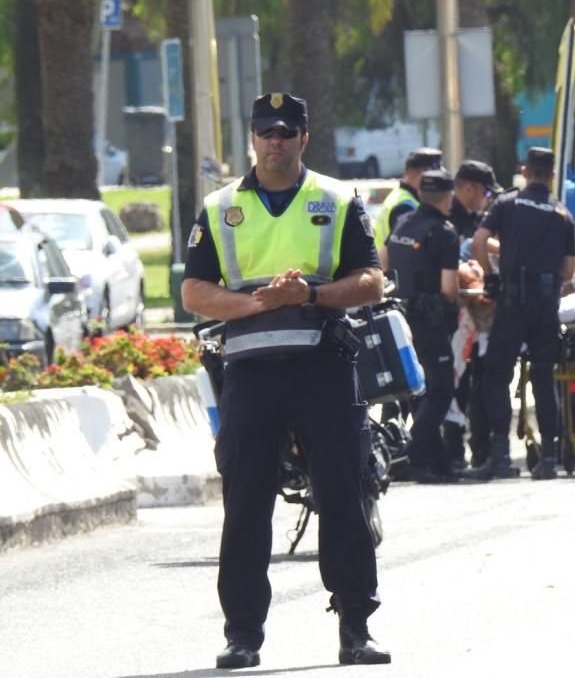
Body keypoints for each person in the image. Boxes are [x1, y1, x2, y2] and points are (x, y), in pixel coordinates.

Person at [181, 92, 390, 668]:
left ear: (304, 138)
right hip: (250, 372)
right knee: (246, 503)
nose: (275, 141)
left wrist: (311, 295)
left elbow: (372, 281)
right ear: (252, 138)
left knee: (343, 494)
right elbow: (194, 292)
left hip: (322, 365)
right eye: (265, 132)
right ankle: (242, 634)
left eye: (285, 131)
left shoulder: (337, 199)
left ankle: (356, 627)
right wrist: (252, 305)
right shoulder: (221, 206)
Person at [469, 147, 575, 480]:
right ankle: (548, 459)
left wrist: (491, 278)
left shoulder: (507, 204)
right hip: (545, 305)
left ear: (526, 171)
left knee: (497, 375)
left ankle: (500, 455)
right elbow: (568, 268)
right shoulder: (562, 214)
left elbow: (480, 239)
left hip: (513, 301)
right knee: (545, 380)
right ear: (552, 175)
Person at [385, 168, 461, 484]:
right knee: (441, 389)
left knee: (417, 389)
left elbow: (383, 263)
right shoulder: (445, 233)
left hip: (400, 317)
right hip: (429, 319)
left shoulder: (403, 223)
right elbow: (448, 289)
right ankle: (412, 454)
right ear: (448, 197)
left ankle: (438, 461)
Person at [443, 160, 503, 469]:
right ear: (468, 188)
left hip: (472, 318)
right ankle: (453, 452)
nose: (487, 198)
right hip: (452, 316)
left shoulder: (474, 217)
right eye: (484, 191)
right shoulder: (449, 217)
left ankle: (478, 450)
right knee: (455, 383)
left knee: (474, 384)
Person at [373, 147, 442, 253]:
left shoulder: (401, 196)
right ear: (425, 173)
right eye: (436, 177)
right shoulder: (405, 206)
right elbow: (408, 252)